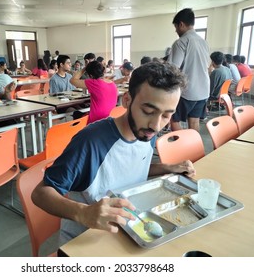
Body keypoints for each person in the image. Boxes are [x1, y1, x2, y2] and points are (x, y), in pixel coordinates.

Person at [31, 61, 195, 245]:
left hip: (127, 229)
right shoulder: (91, 141)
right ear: (127, 100)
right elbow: (40, 193)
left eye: (166, 115)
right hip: (87, 242)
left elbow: (126, 168)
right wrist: (83, 213)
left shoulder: (146, 132)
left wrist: (167, 168)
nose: (156, 125)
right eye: (148, 111)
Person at [168, 8, 210, 132]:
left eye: (176, 27)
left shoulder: (181, 42)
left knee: (173, 119)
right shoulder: (204, 42)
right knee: (194, 120)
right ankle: (194, 148)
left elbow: (173, 69)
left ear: (181, 24)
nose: (176, 31)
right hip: (203, 90)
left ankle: (182, 148)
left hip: (188, 91)